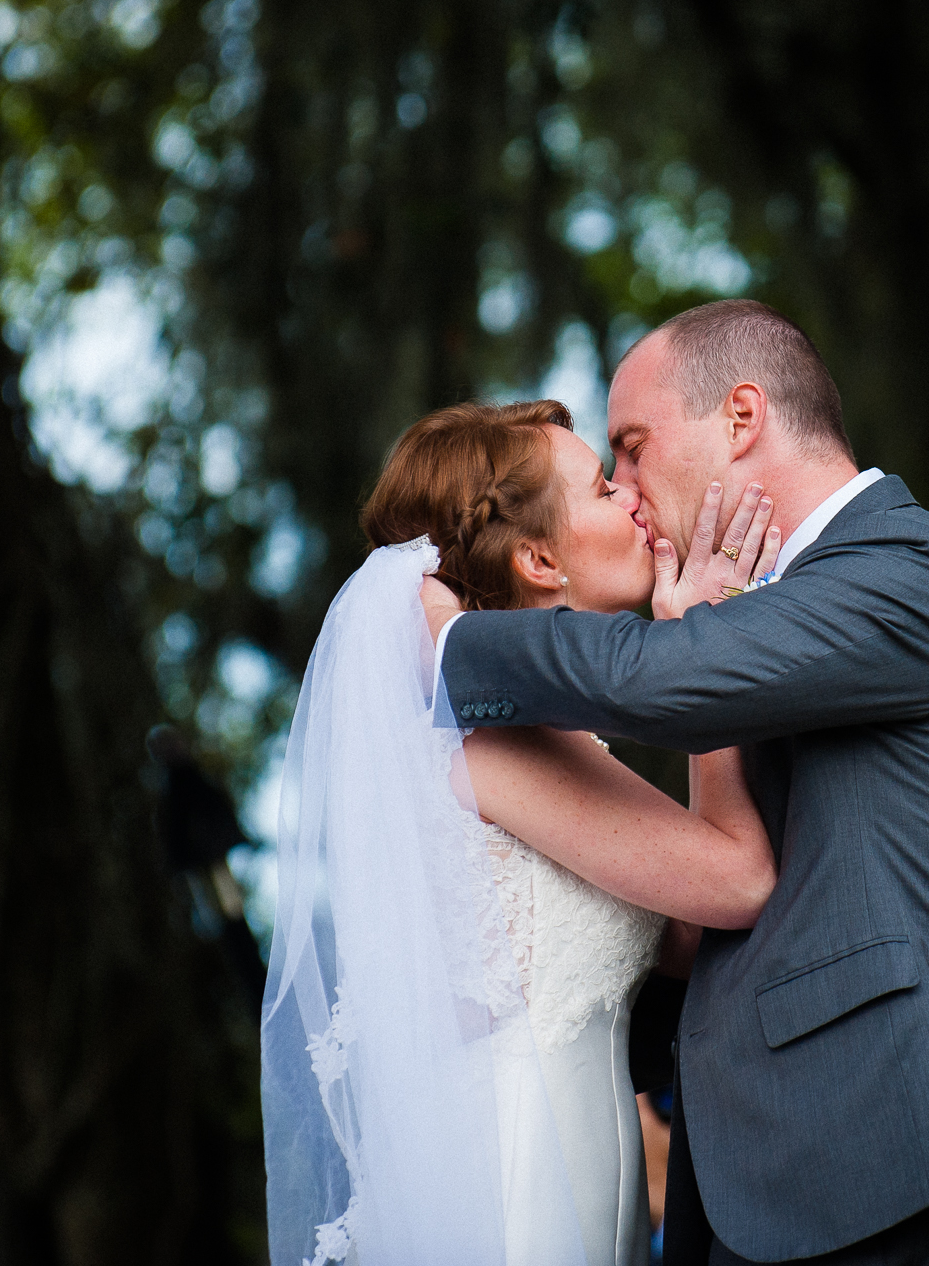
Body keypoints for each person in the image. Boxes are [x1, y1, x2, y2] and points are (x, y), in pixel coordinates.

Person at [421, 300, 929, 1266]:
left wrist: (445, 640)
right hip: (762, 1192)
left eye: (636, 448)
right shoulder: (767, 625)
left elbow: (658, 681)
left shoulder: (908, 565)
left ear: (741, 418)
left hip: (908, 1165)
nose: (632, 492)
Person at [262, 399, 784, 1266]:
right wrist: (711, 639)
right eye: (600, 488)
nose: (631, 498)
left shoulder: (538, 737)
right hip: (523, 1189)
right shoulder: (495, 747)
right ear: (540, 560)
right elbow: (739, 883)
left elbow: (687, 930)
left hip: (578, 1171)